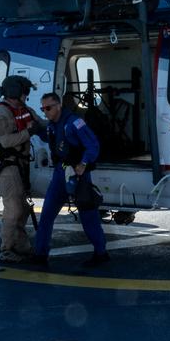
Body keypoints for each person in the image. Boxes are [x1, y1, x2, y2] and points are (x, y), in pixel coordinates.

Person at [32, 92, 109, 268]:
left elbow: (93, 145)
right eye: (42, 109)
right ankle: (40, 254)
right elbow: (49, 136)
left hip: (77, 174)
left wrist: (83, 163)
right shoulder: (53, 125)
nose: (45, 112)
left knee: (88, 215)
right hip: (61, 173)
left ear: (58, 106)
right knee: (47, 214)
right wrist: (35, 128)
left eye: (48, 108)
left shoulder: (75, 123)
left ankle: (101, 252)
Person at [0, 75, 40, 262]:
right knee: (13, 208)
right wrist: (29, 132)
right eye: (24, 94)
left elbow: (40, 123)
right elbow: (6, 141)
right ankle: (7, 250)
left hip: (20, 164)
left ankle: (21, 247)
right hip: (7, 164)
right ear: (15, 93)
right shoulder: (1, 113)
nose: (26, 98)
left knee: (23, 208)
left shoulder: (23, 109)